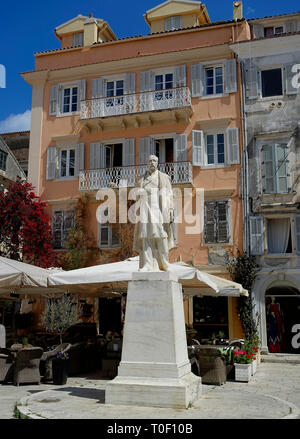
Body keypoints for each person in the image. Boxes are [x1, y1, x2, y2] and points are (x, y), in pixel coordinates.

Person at [133, 155, 175, 272]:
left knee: (161, 236)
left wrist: (171, 209)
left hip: (159, 208)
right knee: (146, 237)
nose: (152, 163)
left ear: (157, 163)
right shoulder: (141, 179)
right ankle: (147, 264)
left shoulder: (164, 177)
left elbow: (170, 195)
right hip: (145, 208)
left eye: (154, 161)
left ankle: (164, 264)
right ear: (147, 163)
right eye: (150, 161)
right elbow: (136, 196)